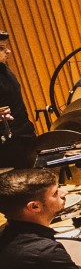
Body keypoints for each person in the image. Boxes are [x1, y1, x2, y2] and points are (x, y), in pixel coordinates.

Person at [0, 30, 37, 169]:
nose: (8, 51)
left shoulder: (3, 68)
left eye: (6, 46)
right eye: (1, 48)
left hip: (24, 134)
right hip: (7, 143)